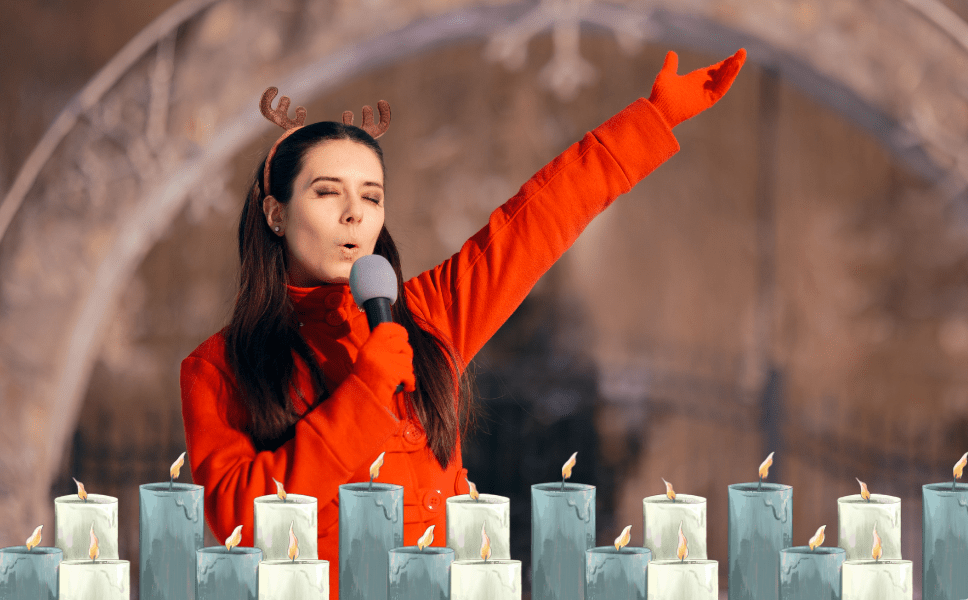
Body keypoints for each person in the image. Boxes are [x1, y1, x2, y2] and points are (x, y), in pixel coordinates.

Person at [179, 47, 746, 597]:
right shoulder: (218, 366)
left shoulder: (427, 314)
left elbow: (540, 219)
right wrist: (365, 394)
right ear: (276, 212)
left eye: (371, 197)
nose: (354, 212)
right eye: (327, 192)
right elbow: (240, 520)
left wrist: (650, 120)